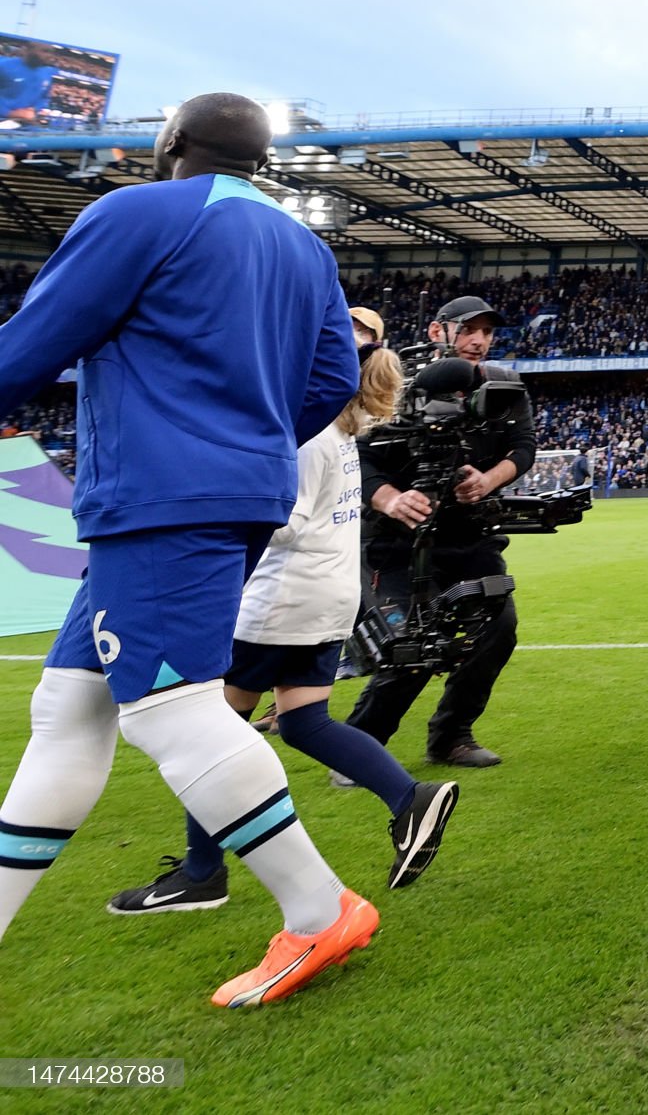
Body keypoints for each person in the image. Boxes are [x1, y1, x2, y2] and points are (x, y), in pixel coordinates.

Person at [0, 92, 377, 1007]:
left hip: (157, 497)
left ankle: (319, 908)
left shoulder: (135, 211)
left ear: (168, 142)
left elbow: (30, 348)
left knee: (169, 711)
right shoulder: (303, 244)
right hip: (230, 494)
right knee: (70, 707)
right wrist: (243, 442)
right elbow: (334, 377)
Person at [108, 315, 460, 912]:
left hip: (281, 601)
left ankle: (200, 875)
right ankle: (410, 799)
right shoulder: (340, 425)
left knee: (208, 735)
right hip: (324, 597)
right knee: (302, 722)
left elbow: (283, 521)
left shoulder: (303, 433)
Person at [342, 296, 534, 769]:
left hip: (470, 538)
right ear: (436, 332)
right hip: (397, 543)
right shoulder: (391, 379)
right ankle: (358, 748)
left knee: (498, 629)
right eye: (469, 329)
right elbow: (353, 452)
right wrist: (389, 497)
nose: (479, 340)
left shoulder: (504, 385)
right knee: (411, 643)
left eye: (487, 332)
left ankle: (452, 737)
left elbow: (523, 446)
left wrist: (488, 480)